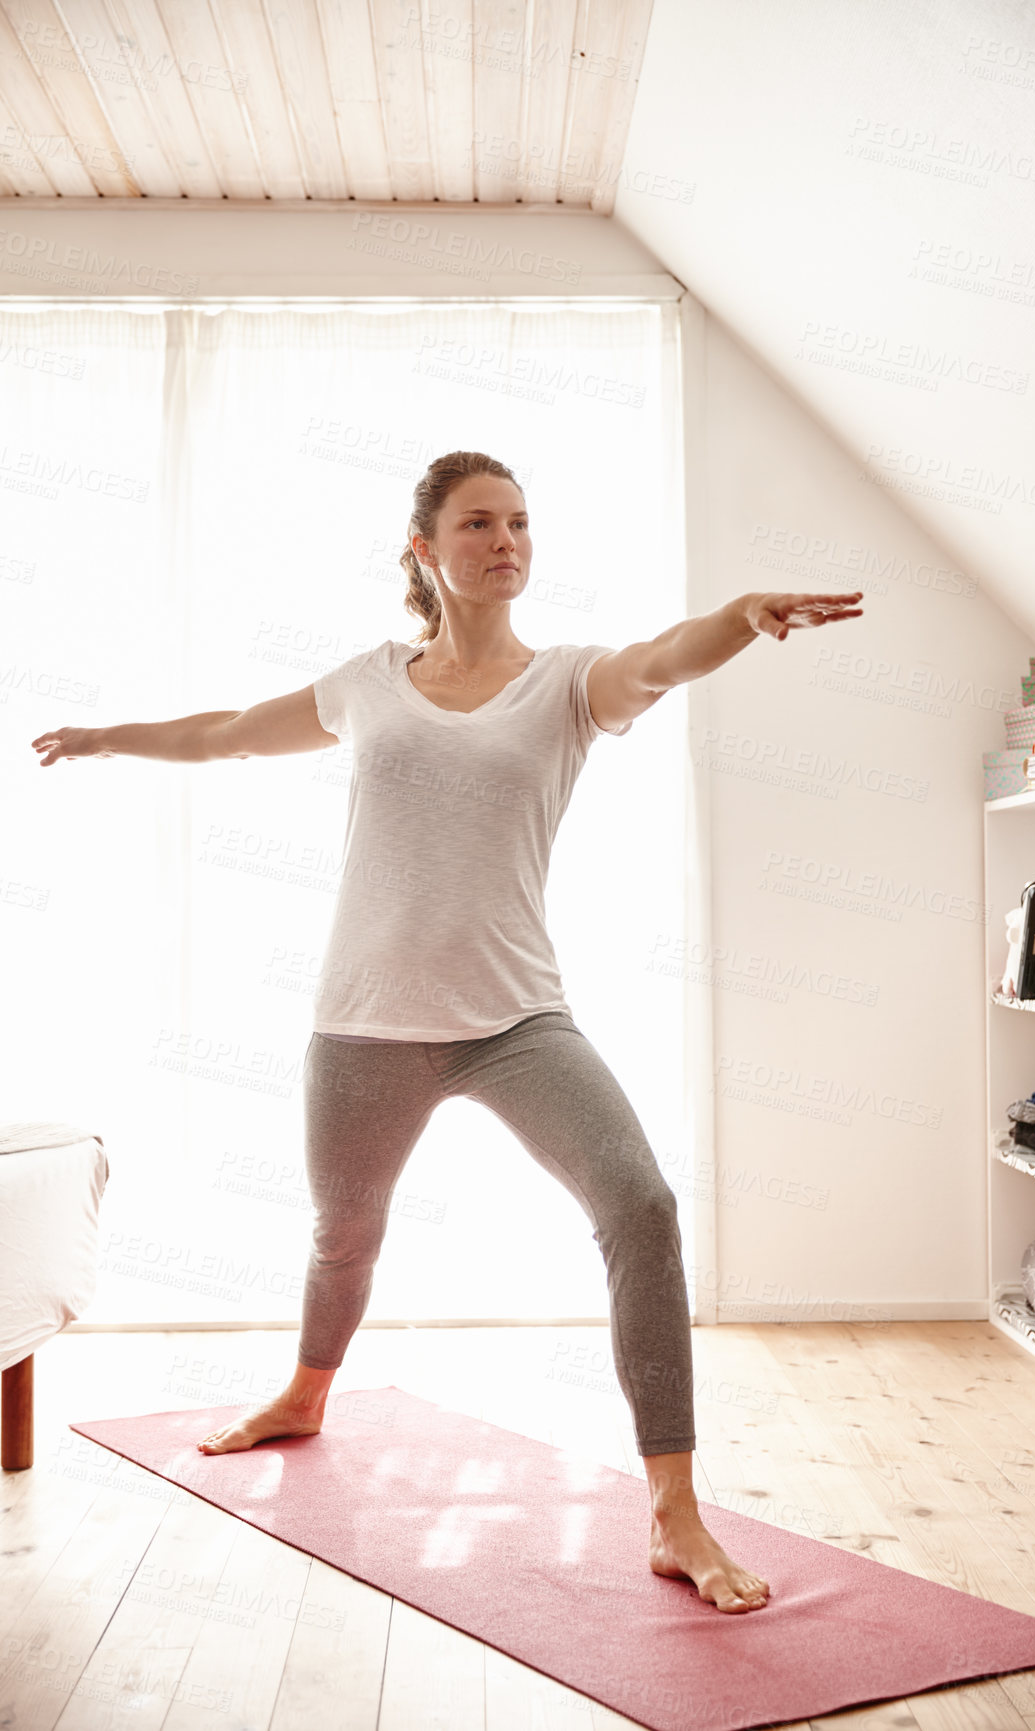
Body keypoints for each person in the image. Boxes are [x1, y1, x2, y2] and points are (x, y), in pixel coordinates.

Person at [31, 448, 863, 1614]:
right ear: (425, 548)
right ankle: (306, 1391)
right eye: (478, 524)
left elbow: (660, 661)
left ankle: (673, 1509)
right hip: (363, 1021)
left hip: (517, 1019)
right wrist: (109, 735)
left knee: (640, 1205)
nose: (506, 542)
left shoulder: (570, 682)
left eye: (520, 523)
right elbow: (227, 732)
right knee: (343, 1236)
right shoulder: (369, 682)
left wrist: (735, 618)